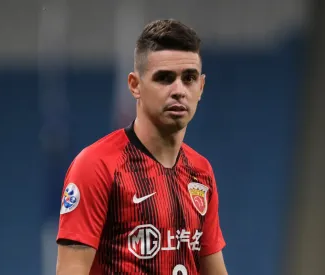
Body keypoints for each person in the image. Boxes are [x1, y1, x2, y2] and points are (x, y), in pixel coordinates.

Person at [56, 19, 228, 275]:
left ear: (201, 87)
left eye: (189, 78)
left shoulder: (201, 173)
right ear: (135, 85)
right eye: (164, 78)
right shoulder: (97, 166)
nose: (179, 90)